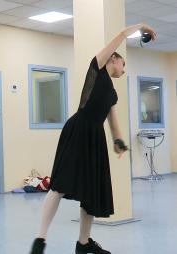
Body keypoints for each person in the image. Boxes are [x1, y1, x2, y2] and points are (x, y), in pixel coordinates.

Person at [30, 23, 156, 254]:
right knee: (58, 185)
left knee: (91, 192)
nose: (124, 70)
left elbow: (112, 119)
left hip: (95, 137)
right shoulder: (96, 68)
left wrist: (118, 141)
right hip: (78, 130)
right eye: (123, 64)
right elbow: (119, 34)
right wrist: (141, 27)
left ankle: (83, 243)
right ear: (113, 59)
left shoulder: (112, 92)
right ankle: (40, 239)